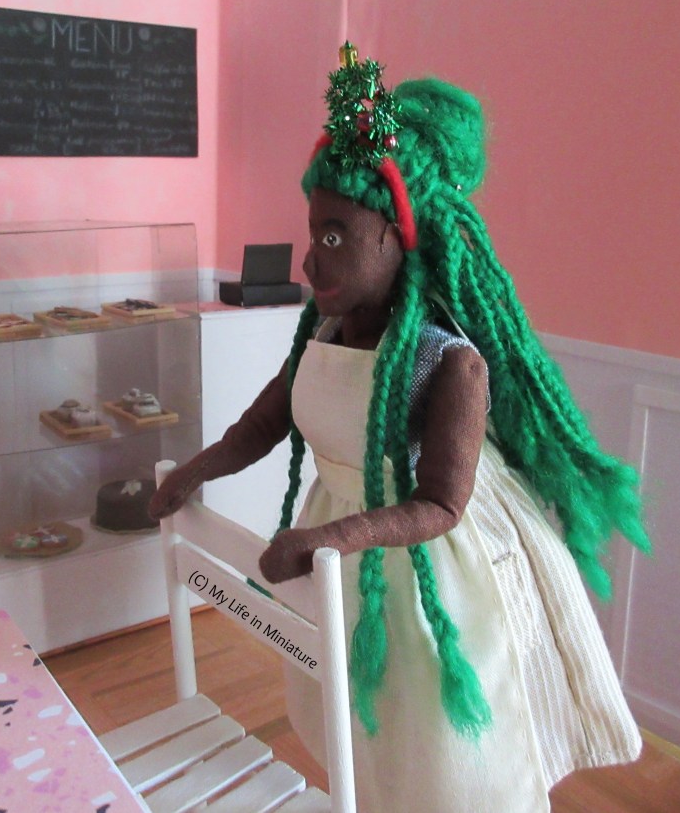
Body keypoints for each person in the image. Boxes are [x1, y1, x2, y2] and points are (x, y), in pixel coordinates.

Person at [149, 43, 650, 813]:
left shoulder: (448, 364)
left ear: (395, 234)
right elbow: (262, 424)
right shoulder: (324, 333)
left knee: (440, 756)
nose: (311, 261)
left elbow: (442, 503)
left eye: (336, 237)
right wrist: (197, 470)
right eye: (314, 234)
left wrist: (331, 537)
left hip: (429, 570)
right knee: (364, 739)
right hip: (345, 559)